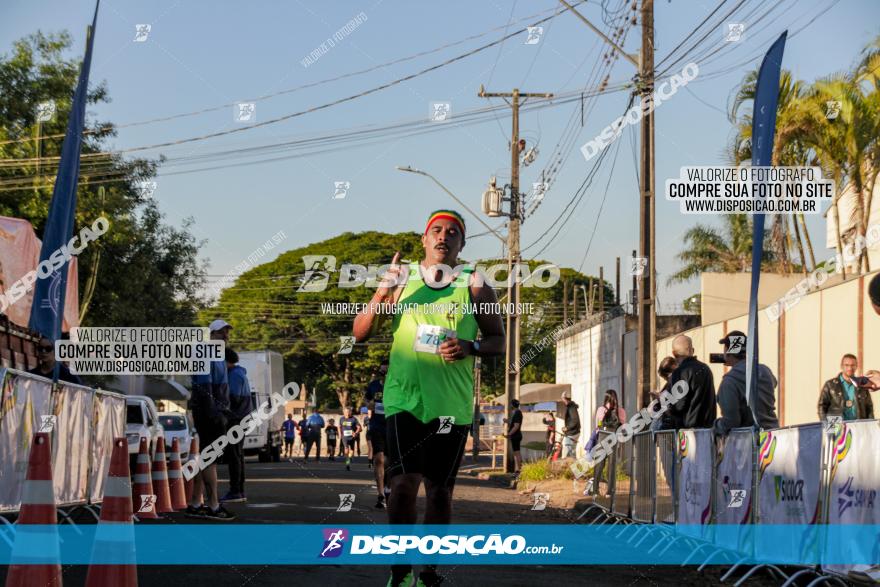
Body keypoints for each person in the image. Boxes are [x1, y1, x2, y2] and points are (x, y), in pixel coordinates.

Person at [352, 209, 505, 587]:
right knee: (403, 485)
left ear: (461, 244)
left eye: (452, 233)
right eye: (435, 231)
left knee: (440, 491)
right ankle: (400, 570)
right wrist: (381, 291)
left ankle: (429, 571)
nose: (443, 237)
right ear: (424, 239)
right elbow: (359, 333)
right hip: (405, 399)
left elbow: (499, 342)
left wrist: (469, 346)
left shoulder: (475, 284)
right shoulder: (402, 280)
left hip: (450, 405)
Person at [186, 319, 235, 521]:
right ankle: (213, 505)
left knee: (206, 458)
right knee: (210, 459)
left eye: (226, 332)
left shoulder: (216, 355)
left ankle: (196, 503)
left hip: (213, 412)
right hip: (209, 413)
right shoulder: (205, 353)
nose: (225, 336)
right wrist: (215, 414)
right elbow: (205, 389)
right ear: (211, 335)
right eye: (220, 333)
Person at [714, 331, 779, 435]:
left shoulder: (729, 381)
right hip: (773, 437)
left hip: (749, 442)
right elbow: (774, 383)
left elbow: (731, 422)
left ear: (727, 351)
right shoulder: (764, 370)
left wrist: (716, 425)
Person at [221, 348, 252, 503]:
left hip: (236, 419)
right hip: (242, 418)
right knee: (238, 455)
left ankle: (235, 491)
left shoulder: (234, 375)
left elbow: (233, 399)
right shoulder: (240, 373)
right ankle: (239, 490)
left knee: (234, 456)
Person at [667, 334, 716, 429]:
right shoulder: (706, 369)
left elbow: (678, 406)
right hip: (708, 430)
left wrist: (667, 407)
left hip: (688, 434)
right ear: (692, 350)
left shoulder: (680, 372)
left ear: (674, 353)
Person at [818, 353, 875, 421]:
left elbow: (869, 407)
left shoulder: (862, 385)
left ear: (856, 366)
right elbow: (822, 406)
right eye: (846, 365)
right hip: (836, 427)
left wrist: (870, 425)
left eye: (852, 365)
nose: (850, 368)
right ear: (841, 366)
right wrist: (826, 424)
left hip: (858, 426)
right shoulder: (830, 385)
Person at [590, 390, 626, 495]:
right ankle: (610, 491)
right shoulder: (621, 411)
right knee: (612, 465)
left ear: (605, 398)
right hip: (613, 438)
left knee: (599, 464)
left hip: (602, 437)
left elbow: (598, 425)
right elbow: (623, 427)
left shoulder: (601, 409)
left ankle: (595, 490)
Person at [366, 363, 390, 508]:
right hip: (377, 426)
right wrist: (369, 404)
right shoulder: (373, 385)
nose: (384, 374)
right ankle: (380, 495)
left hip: (392, 425)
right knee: (379, 459)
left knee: (389, 462)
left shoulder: (398, 385)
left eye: (387, 371)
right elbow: (367, 399)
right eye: (382, 372)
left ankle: (388, 489)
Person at [651, 357, 678, 432]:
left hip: (671, 427)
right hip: (665, 425)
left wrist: (660, 399)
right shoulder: (668, 386)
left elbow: (671, 411)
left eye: (666, 377)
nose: (666, 380)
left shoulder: (677, 386)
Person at [503, 399, 523, 473]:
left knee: (517, 453)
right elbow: (514, 423)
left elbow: (516, 426)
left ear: (513, 405)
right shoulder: (517, 413)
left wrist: (509, 434)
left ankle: (519, 470)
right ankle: (518, 469)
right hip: (516, 435)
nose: (510, 405)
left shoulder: (517, 413)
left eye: (511, 404)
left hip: (516, 436)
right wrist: (507, 421)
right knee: (516, 453)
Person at [340, 406, 361, 471]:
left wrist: (356, 433)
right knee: (346, 449)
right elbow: (339, 427)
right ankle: (347, 464)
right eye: (345, 412)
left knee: (351, 450)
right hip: (345, 437)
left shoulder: (354, 419)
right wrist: (340, 434)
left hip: (352, 437)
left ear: (350, 412)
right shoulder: (341, 419)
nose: (347, 413)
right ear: (343, 412)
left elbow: (359, 427)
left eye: (348, 412)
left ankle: (349, 457)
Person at [561, 390, 581, 459]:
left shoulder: (571, 407)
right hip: (574, 432)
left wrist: (567, 428)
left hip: (572, 433)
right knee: (572, 453)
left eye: (562, 398)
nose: (562, 399)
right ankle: (575, 468)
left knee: (566, 453)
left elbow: (575, 420)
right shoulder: (571, 406)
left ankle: (567, 469)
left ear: (564, 398)